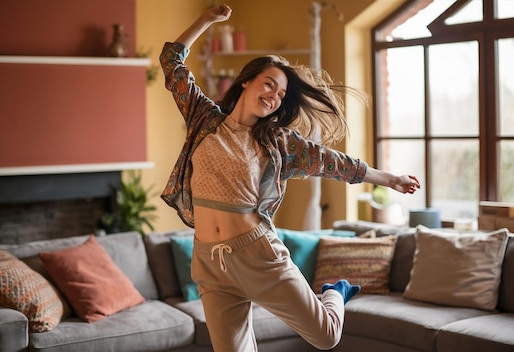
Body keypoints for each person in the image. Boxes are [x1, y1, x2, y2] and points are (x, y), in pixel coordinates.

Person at [159, 4, 420, 351]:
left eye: (281, 94)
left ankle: (334, 292)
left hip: (257, 254)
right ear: (247, 81)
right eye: (269, 84)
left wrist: (389, 178)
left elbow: (333, 162)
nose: (274, 96)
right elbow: (172, 62)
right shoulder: (204, 118)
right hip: (209, 260)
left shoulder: (277, 142)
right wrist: (207, 20)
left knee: (327, 336)